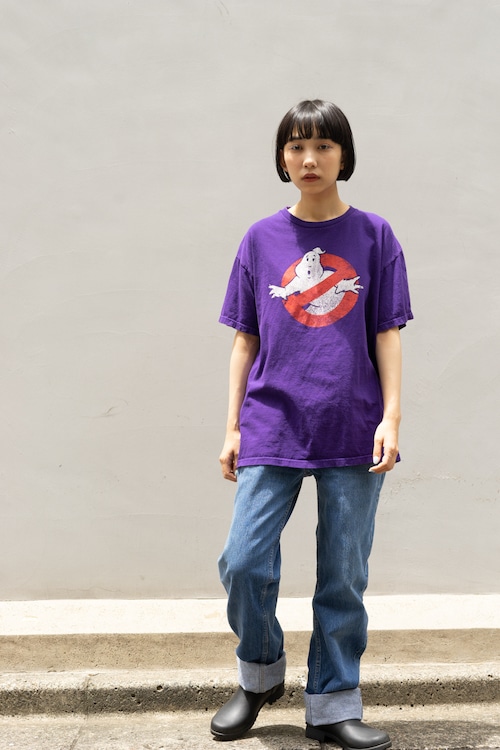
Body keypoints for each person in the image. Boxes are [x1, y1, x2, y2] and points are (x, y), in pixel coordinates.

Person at [210, 99, 413, 749]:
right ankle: (260, 675)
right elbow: (244, 338)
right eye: (296, 146)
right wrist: (233, 427)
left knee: (343, 575)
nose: (309, 158)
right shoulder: (260, 239)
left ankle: (332, 705)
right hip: (271, 421)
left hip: (353, 423)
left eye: (323, 146)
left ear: (343, 156)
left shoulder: (375, 235)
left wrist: (391, 417)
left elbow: (386, 332)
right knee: (243, 561)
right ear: (281, 158)